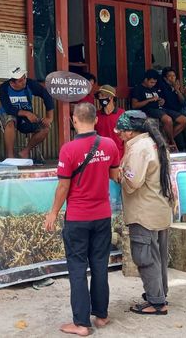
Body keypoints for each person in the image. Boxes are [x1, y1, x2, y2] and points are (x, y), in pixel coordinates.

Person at [44, 103, 121, 336]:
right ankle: (102, 315)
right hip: (102, 216)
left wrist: (53, 212)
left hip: (77, 217)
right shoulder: (109, 145)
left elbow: (63, 185)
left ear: (74, 120)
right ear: (96, 120)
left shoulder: (68, 149)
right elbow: (115, 175)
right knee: (99, 264)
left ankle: (81, 323)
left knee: (77, 268)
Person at [114, 110, 174, 316]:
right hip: (160, 209)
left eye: (120, 131)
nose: (118, 134)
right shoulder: (155, 143)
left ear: (130, 132)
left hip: (144, 212)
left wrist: (118, 175)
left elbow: (132, 183)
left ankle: (157, 303)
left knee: (145, 257)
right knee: (158, 256)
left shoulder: (139, 148)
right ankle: (158, 293)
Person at [0, 66, 55, 159]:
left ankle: (25, 151)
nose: (24, 81)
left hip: (26, 116)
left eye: (24, 78)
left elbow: (46, 95)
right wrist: (27, 113)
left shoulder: (29, 84)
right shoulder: (4, 87)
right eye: (20, 81)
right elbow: (8, 108)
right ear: (12, 82)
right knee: (10, 123)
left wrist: (49, 117)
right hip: (9, 114)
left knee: (45, 128)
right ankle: (10, 157)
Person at [130, 69, 185, 151]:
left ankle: (166, 140)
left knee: (184, 120)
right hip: (148, 110)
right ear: (145, 80)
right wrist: (149, 100)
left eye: (155, 83)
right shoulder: (138, 89)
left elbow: (160, 99)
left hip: (161, 108)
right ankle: (172, 141)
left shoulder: (155, 89)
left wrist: (162, 101)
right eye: (151, 82)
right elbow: (134, 105)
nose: (153, 84)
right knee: (168, 120)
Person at [93, 85, 125, 159]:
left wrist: (125, 156)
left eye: (103, 96)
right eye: (99, 96)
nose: (100, 98)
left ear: (110, 97)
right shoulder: (96, 115)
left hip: (119, 155)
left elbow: (126, 138)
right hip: (101, 156)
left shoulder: (122, 114)